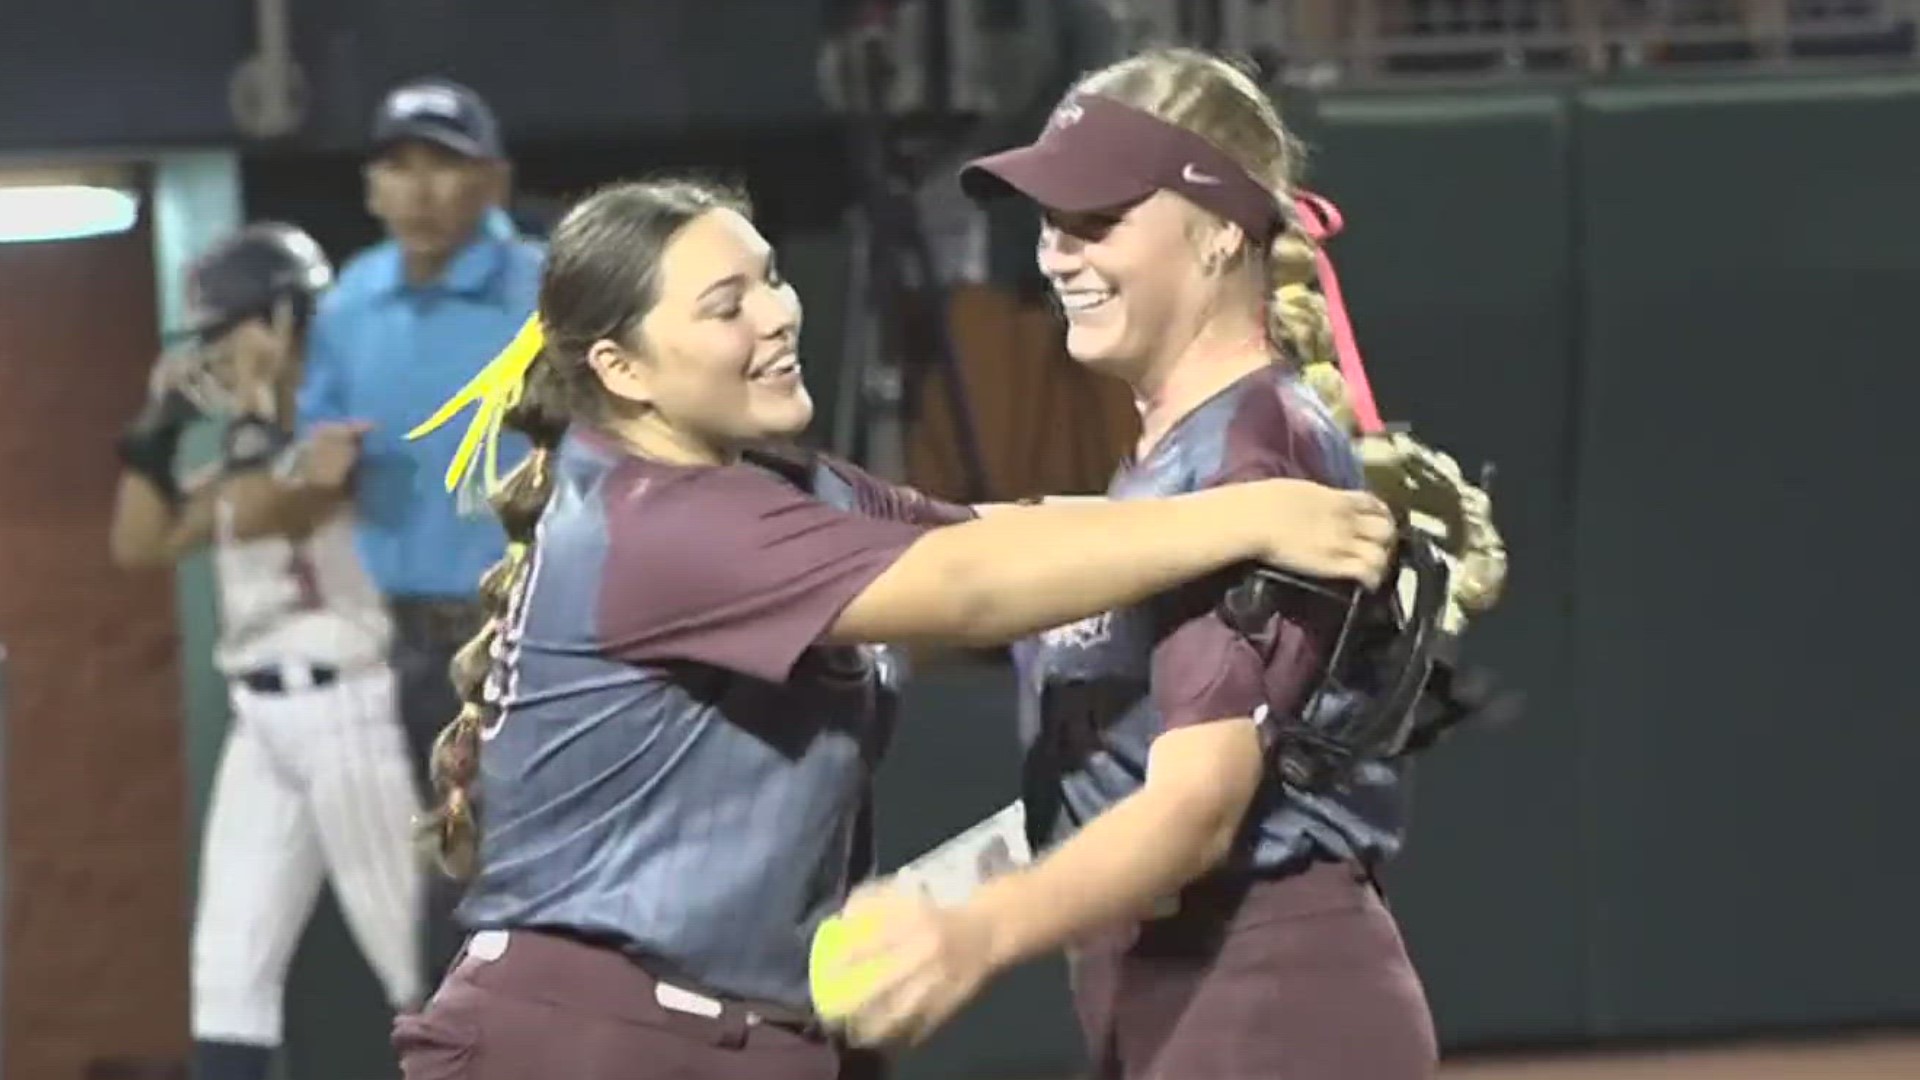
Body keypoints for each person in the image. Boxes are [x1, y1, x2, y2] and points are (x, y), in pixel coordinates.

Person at [389, 176, 1398, 1080]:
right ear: (623, 368)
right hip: (590, 1045)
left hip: (726, 1036)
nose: (779, 316)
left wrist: (1260, 499)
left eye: (772, 278)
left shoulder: (778, 482)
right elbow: (970, 587)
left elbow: (1000, 533)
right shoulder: (660, 521)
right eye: (725, 305)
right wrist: (1248, 518)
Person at [828, 47, 1506, 1079]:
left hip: (1270, 998)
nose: (1056, 253)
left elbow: (1194, 811)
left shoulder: (1257, 451)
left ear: (1221, 232)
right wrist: (938, 902)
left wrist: (976, 935)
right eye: (1051, 222)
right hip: (1180, 1002)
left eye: (1098, 219)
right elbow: (1110, 778)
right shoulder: (1170, 469)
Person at [109, 223, 423, 1080]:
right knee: (227, 975)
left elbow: (262, 511)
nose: (214, 348)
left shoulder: (349, 418)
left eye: (231, 326)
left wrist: (253, 405)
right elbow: (141, 542)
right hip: (261, 719)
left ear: (286, 319)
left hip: (353, 712)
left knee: (416, 966)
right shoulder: (248, 444)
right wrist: (156, 432)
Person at [295, 76, 543, 978]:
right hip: (404, 651)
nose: (421, 190)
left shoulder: (550, 289)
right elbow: (307, 458)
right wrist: (310, 468)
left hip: (538, 633)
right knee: (441, 887)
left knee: (534, 879)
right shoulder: (351, 299)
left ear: (496, 182)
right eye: (398, 168)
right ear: (371, 189)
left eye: (445, 166)